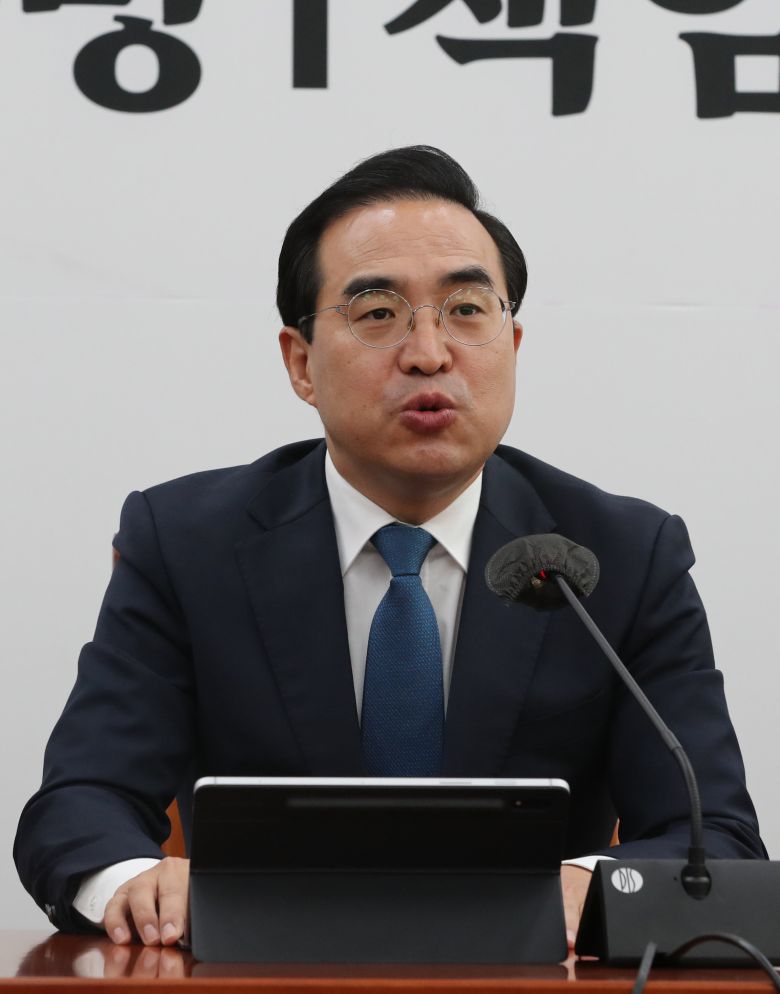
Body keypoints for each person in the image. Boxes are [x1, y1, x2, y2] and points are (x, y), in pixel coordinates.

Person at [15, 146, 765, 954]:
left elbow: (714, 836)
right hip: (263, 974)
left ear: (513, 344)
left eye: (467, 309)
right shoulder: (188, 543)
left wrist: (597, 883)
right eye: (378, 313)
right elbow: (79, 805)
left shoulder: (620, 555)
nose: (429, 352)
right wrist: (133, 882)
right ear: (301, 362)